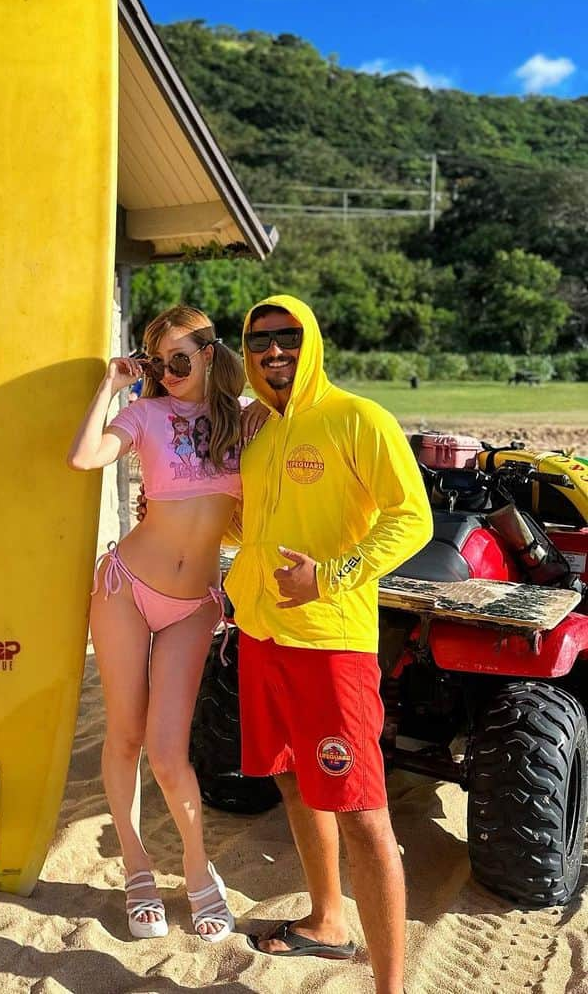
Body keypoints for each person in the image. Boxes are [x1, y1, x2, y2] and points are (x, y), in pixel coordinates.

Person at [227, 294, 430, 994]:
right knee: (291, 777)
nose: (273, 350)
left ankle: (390, 987)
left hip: (330, 644)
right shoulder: (259, 433)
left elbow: (413, 519)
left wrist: (332, 575)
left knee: (362, 810)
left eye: (286, 337)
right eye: (259, 340)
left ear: (310, 341)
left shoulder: (357, 418)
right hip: (260, 633)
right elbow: (252, 528)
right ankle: (325, 923)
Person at [68, 305, 264, 943]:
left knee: (170, 750)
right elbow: (85, 456)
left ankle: (196, 865)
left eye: (181, 359)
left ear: (210, 353)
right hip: (126, 586)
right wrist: (111, 384)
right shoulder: (146, 414)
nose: (170, 373)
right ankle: (135, 865)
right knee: (124, 736)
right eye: (159, 363)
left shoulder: (243, 421)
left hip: (195, 603)